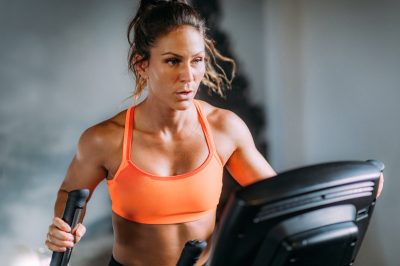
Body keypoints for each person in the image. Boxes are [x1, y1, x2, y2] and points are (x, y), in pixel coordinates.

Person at [45, 1, 384, 265]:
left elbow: (282, 199)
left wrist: (352, 190)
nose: (189, 76)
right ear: (142, 64)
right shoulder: (105, 139)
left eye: (197, 60)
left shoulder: (225, 128)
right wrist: (65, 228)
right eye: (173, 61)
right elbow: (70, 193)